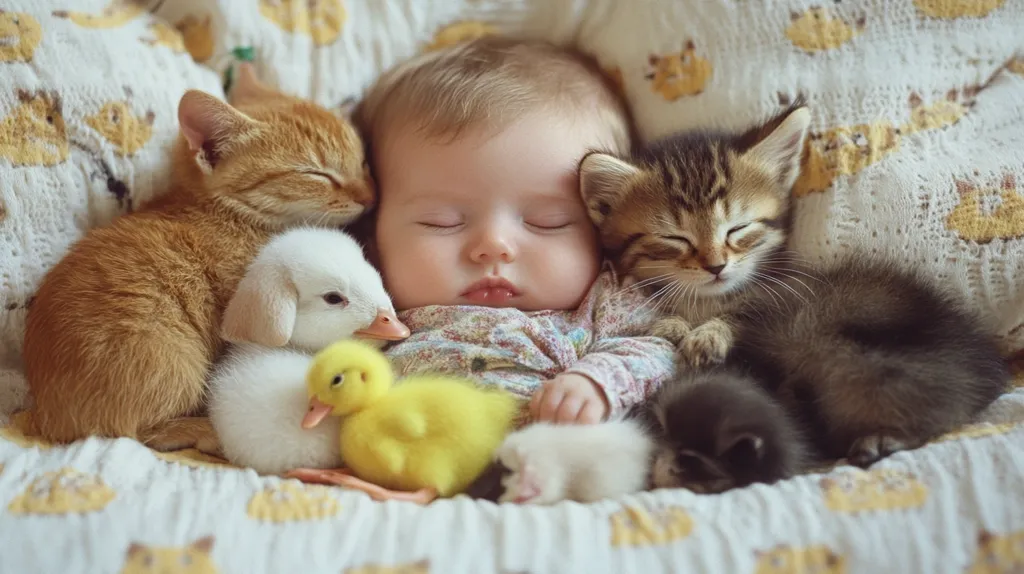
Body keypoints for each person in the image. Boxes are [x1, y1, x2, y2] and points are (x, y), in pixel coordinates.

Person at [356, 36, 674, 425]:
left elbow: (660, 347)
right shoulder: (363, 315)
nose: (494, 247)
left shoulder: (607, 303)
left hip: (552, 458)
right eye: (441, 221)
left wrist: (597, 382)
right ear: (374, 234)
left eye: (547, 222)